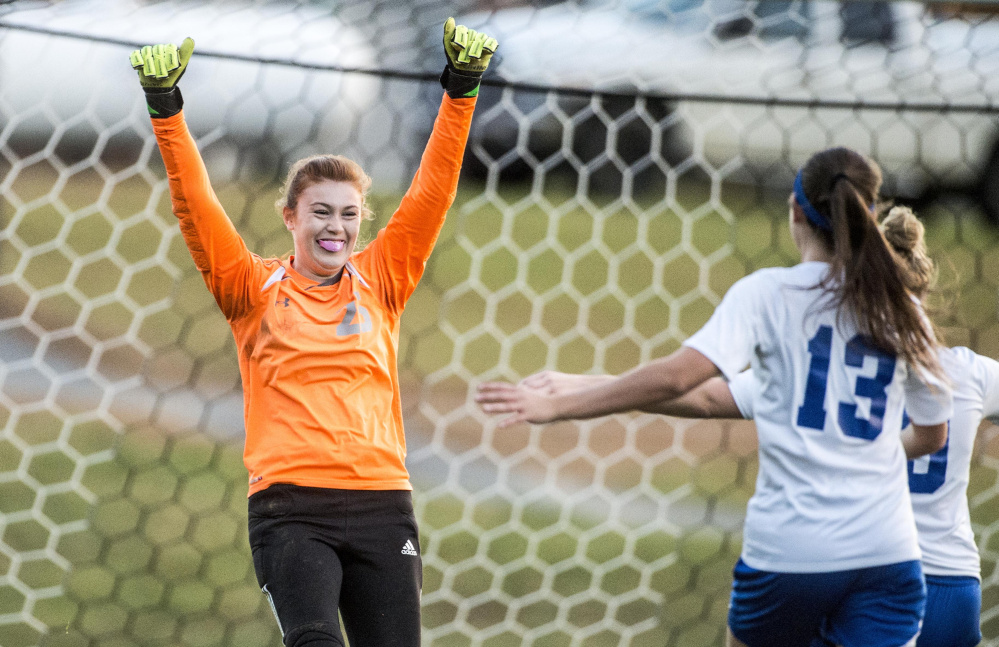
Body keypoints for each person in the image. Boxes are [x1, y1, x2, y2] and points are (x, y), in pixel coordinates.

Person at [476, 147, 954, 647]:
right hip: (888, 555)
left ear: (795, 210)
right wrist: (582, 383)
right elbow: (930, 434)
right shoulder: (903, 311)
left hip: (791, 555)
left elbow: (678, 379)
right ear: (869, 215)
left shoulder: (769, 295)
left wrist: (564, 406)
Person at [130, 20, 497, 647]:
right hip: (290, 509)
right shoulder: (249, 288)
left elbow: (432, 191)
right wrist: (167, 109)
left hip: (383, 505)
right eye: (321, 212)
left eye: (349, 214)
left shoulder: (383, 278)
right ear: (291, 216)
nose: (336, 227)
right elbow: (195, 203)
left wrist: (459, 89)